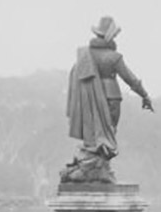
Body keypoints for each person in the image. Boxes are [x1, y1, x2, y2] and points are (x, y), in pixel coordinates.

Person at [62, 16, 153, 182]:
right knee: (109, 133)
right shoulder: (114, 57)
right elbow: (130, 79)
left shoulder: (85, 56)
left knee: (93, 134)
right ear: (110, 36)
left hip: (88, 100)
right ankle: (96, 169)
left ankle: (94, 168)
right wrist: (144, 95)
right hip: (111, 97)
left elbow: (75, 76)